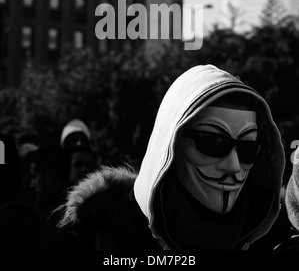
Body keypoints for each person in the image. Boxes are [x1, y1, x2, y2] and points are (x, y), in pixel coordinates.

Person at [57, 64, 285, 250]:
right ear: (170, 141)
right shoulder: (96, 235)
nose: (234, 166)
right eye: (213, 142)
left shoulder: (271, 240)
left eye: (248, 148)